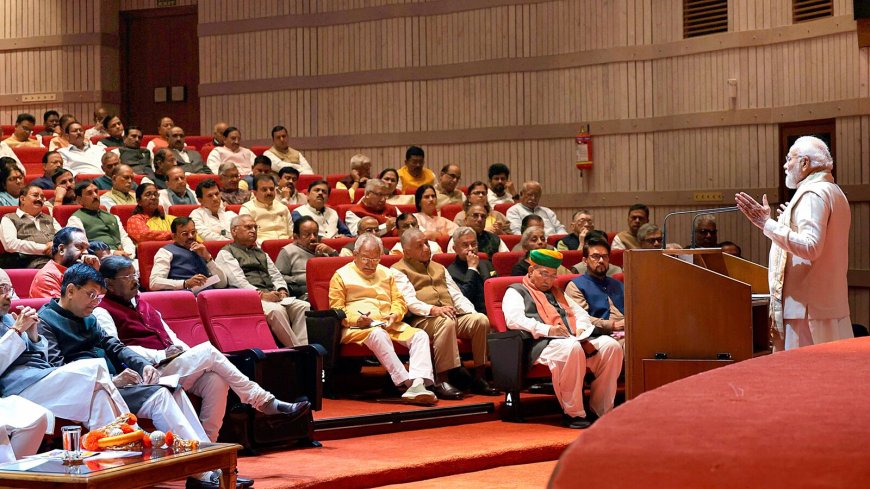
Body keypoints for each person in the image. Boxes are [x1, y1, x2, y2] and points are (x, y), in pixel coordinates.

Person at [34, 263, 234, 488]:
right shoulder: (46, 321)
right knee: (160, 396)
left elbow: (116, 347)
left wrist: (143, 366)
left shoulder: (88, 317)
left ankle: (207, 467)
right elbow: (58, 371)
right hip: (87, 391)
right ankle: (203, 472)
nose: (94, 302)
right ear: (70, 291)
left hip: (112, 384)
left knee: (171, 389)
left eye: (98, 297)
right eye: (90, 295)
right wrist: (110, 381)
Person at [95, 255, 311, 444]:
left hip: (170, 367)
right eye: (127, 277)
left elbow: (170, 337)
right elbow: (117, 350)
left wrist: (184, 352)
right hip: (145, 375)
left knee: (216, 380)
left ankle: (208, 450)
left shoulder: (143, 303)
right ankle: (262, 400)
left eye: (135, 275)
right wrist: (164, 355)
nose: (134, 280)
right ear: (109, 284)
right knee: (208, 352)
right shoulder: (102, 311)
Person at [735, 135, 852, 351]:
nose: (785, 165)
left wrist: (766, 224)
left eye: (790, 158)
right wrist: (787, 224)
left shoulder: (812, 194)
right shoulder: (834, 191)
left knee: (805, 379)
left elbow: (810, 247)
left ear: (804, 163)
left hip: (806, 312)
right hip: (826, 306)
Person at [502, 249, 623, 428]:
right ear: (530, 271)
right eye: (544, 274)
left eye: (552, 276)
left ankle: (601, 410)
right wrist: (548, 329)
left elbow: (581, 314)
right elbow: (515, 320)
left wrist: (581, 327)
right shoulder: (516, 291)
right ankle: (573, 413)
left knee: (611, 346)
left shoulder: (558, 292)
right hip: (540, 344)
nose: (548, 280)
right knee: (571, 348)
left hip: (572, 339)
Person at [328, 234, 437, 405]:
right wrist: (357, 320)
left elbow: (399, 301)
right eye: (365, 258)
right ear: (355, 254)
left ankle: (419, 383)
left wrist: (395, 314)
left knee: (420, 336)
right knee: (378, 334)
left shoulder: (387, 273)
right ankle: (407, 384)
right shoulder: (341, 275)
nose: (369, 263)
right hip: (358, 328)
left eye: (375, 258)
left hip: (389, 324)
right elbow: (337, 310)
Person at [391, 229, 497, 398]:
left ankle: (480, 376)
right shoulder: (398, 270)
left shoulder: (439, 267)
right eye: (419, 246)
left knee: (480, 320)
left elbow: (456, 295)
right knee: (445, 322)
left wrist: (472, 313)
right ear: (407, 252)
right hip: (423, 319)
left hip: (448, 314)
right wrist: (433, 309)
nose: (426, 248)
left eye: (426, 243)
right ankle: (442, 379)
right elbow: (409, 302)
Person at [216, 215, 310, 347]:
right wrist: (263, 295)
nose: (253, 230)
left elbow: (276, 275)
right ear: (234, 231)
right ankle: (297, 350)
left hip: (272, 295)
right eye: (248, 227)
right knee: (277, 311)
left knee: (303, 306)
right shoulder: (226, 253)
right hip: (249, 299)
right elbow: (239, 282)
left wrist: (282, 290)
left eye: (255, 227)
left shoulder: (261, 252)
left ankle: (303, 346)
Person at [564, 237, 625, 346]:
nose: (601, 260)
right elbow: (580, 318)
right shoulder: (575, 286)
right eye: (596, 257)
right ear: (585, 261)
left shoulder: (617, 284)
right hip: (600, 336)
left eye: (604, 256)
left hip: (628, 331)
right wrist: (612, 325)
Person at [149, 217, 226, 293]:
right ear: (174, 236)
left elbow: (222, 284)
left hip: (209, 295)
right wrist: (185, 283)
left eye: (193, 232)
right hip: (183, 298)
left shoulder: (201, 250)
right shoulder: (165, 252)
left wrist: (208, 258)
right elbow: (154, 282)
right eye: (185, 234)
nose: (191, 236)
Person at [66, 181, 135, 258]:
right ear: (79, 200)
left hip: (124, 257)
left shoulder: (113, 217)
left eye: (96, 191)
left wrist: (128, 253)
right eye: (89, 193)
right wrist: (113, 253)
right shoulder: (76, 219)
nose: (95, 196)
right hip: (99, 259)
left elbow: (125, 238)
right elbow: (80, 247)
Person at [275, 217, 337, 300]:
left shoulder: (324, 249)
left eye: (315, 234)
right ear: (296, 237)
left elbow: (342, 272)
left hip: (331, 289)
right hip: (305, 292)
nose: (313, 238)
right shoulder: (287, 251)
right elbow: (278, 276)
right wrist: (299, 279)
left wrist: (332, 252)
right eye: (307, 234)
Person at [29, 227, 100, 298]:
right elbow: (58, 308)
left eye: (87, 249)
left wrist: (95, 273)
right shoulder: (47, 277)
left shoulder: (80, 272)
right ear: (62, 249)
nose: (86, 253)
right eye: (80, 247)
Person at [0, 185, 60, 269]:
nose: (39, 199)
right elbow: (11, 244)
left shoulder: (50, 219)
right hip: (31, 262)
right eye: (35, 195)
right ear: (22, 199)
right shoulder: (9, 218)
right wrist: (45, 248)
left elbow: (65, 238)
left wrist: (56, 246)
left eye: (42, 197)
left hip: (59, 259)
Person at [447, 227, 498, 314]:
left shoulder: (486, 264)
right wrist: (472, 269)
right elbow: (463, 298)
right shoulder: (450, 272)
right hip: (474, 315)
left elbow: (497, 290)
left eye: (474, 244)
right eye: (465, 245)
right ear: (455, 249)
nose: (471, 248)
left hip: (495, 311)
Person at [240, 174, 291, 242]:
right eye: (264, 190)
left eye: (271, 189)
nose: (269, 192)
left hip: (286, 246)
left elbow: (291, 233)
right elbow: (246, 237)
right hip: (261, 248)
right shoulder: (247, 209)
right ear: (255, 193)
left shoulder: (283, 208)